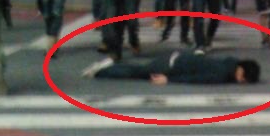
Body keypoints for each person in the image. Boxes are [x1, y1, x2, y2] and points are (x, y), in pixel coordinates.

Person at [87, 49, 261, 85]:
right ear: (241, 71)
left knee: (139, 70)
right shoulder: (222, 74)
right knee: (136, 73)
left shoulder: (229, 61)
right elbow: (196, 79)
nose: (241, 82)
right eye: (244, 78)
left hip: (176, 56)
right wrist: (168, 79)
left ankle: (110, 65)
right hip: (171, 67)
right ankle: (100, 72)